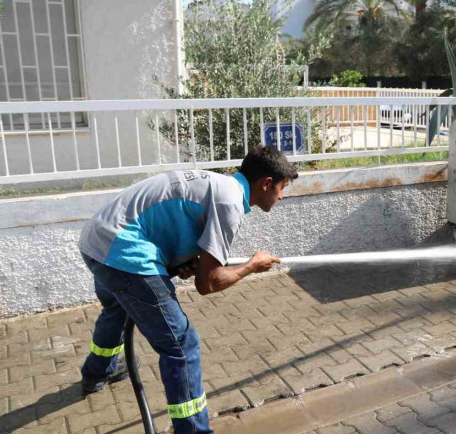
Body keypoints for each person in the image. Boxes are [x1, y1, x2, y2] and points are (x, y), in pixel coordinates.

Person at [77, 146, 296, 433]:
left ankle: (98, 371)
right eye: (281, 188)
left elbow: (174, 227)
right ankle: (192, 430)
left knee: (117, 307)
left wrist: (183, 262)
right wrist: (251, 266)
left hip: (97, 241)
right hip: (124, 253)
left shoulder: (219, 185)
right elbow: (208, 284)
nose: (281, 196)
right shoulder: (230, 202)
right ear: (266, 183)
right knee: (181, 344)